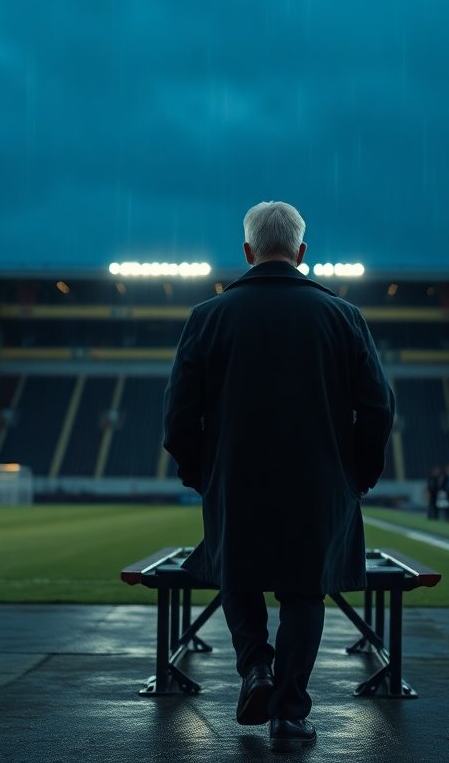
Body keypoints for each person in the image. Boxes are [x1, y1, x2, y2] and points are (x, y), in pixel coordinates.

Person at [164, 201, 395, 752]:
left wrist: (202, 475)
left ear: (247, 251)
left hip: (237, 480)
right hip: (318, 486)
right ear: (302, 252)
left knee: (236, 575)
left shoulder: (208, 317)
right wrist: (356, 477)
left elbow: (177, 415)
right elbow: (379, 408)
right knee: (304, 593)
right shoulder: (344, 317)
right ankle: (289, 714)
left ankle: (256, 670)